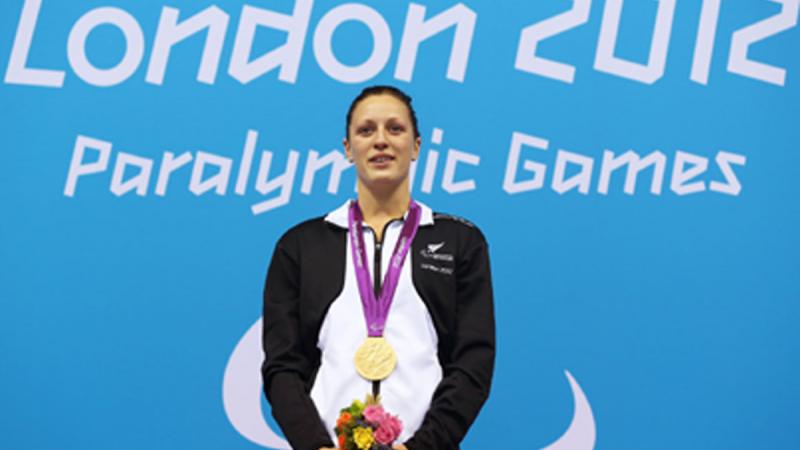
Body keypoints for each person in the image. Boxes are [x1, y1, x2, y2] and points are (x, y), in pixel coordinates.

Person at [261, 85, 495, 450]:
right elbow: (282, 365)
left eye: (395, 129)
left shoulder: (459, 241)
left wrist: (425, 446)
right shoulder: (301, 246)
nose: (381, 140)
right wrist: (315, 446)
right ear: (347, 149)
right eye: (366, 130)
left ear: (416, 146)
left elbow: (473, 363)